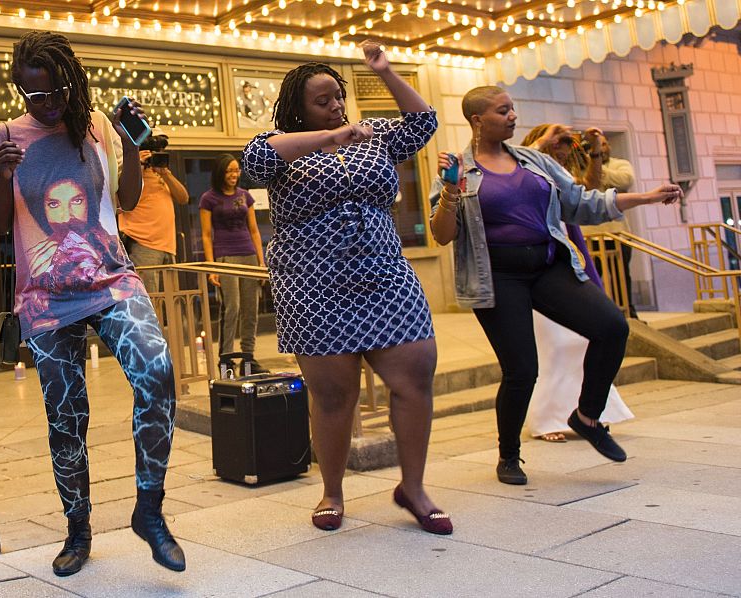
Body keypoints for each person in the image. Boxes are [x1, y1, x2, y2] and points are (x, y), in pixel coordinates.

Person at [0, 31, 185, 576]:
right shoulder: (5, 137)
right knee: (66, 417)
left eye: (52, 94)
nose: (44, 106)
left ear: (71, 83)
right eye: (32, 97)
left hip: (112, 279)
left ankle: (150, 510)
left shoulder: (96, 127)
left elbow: (128, 199)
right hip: (47, 298)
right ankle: (78, 531)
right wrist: (3, 176)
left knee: (158, 371)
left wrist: (130, 144)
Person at [242, 41, 452, 535]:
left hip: (385, 274)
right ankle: (332, 490)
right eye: (323, 100)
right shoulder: (281, 144)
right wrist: (334, 136)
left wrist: (386, 72)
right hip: (315, 287)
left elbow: (423, 124)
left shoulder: (374, 135)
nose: (337, 105)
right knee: (334, 396)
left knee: (416, 373)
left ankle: (413, 488)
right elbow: (255, 161)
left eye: (338, 96)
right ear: (298, 109)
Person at [429, 86, 682, 485]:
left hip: (549, 267)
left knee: (612, 328)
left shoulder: (534, 162)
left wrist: (647, 197)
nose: (513, 116)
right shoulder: (459, 167)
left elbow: (583, 203)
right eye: (503, 110)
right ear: (478, 120)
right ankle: (508, 455)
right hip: (498, 278)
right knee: (521, 370)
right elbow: (442, 235)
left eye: (513, 108)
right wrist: (449, 190)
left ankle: (586, 416)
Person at [521, 124, 634, 443]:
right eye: (558, 142)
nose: (564, 148)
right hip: (538, 269)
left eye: (568, 144)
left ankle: (588, 414)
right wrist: (543, 146)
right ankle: (547, 420)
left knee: (584, 341)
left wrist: (595, 150)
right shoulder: (522, 170)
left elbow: (593, 190)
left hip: (569, 262)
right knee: (554, 346)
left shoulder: (564, 177)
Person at [199, 153, 267, 374]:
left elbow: (255, 230)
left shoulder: (245, 196)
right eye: (229, 171)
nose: (234, 175)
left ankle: (249, 356)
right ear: (220, 173)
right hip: (225, 258)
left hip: (247, 254)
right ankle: (226, 357)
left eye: (236, 170)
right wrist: (212, 267)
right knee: (232, 308)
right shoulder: (208, 199)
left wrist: (261, 262)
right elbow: (207, 235)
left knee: (251, 308)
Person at [118, 128, 188, 293]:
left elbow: (183, 198)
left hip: (167, 246)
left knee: (170, 302)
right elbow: (121, 198)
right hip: (143, 245)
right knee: (151, 300)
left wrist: (165, 173)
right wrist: (138, 165)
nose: (156, 153)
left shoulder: (161, 174)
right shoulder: (131, 171)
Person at [579, 133, 638, 317]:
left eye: (603, 145)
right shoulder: (578, 168)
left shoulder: (620, 164)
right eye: (596, 146)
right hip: (589, 235)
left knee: (621, 277)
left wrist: (594, 168)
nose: (600, 149)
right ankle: (598, 315)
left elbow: (626, 180)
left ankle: (629, 313)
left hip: (616, 233)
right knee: (593, 278)